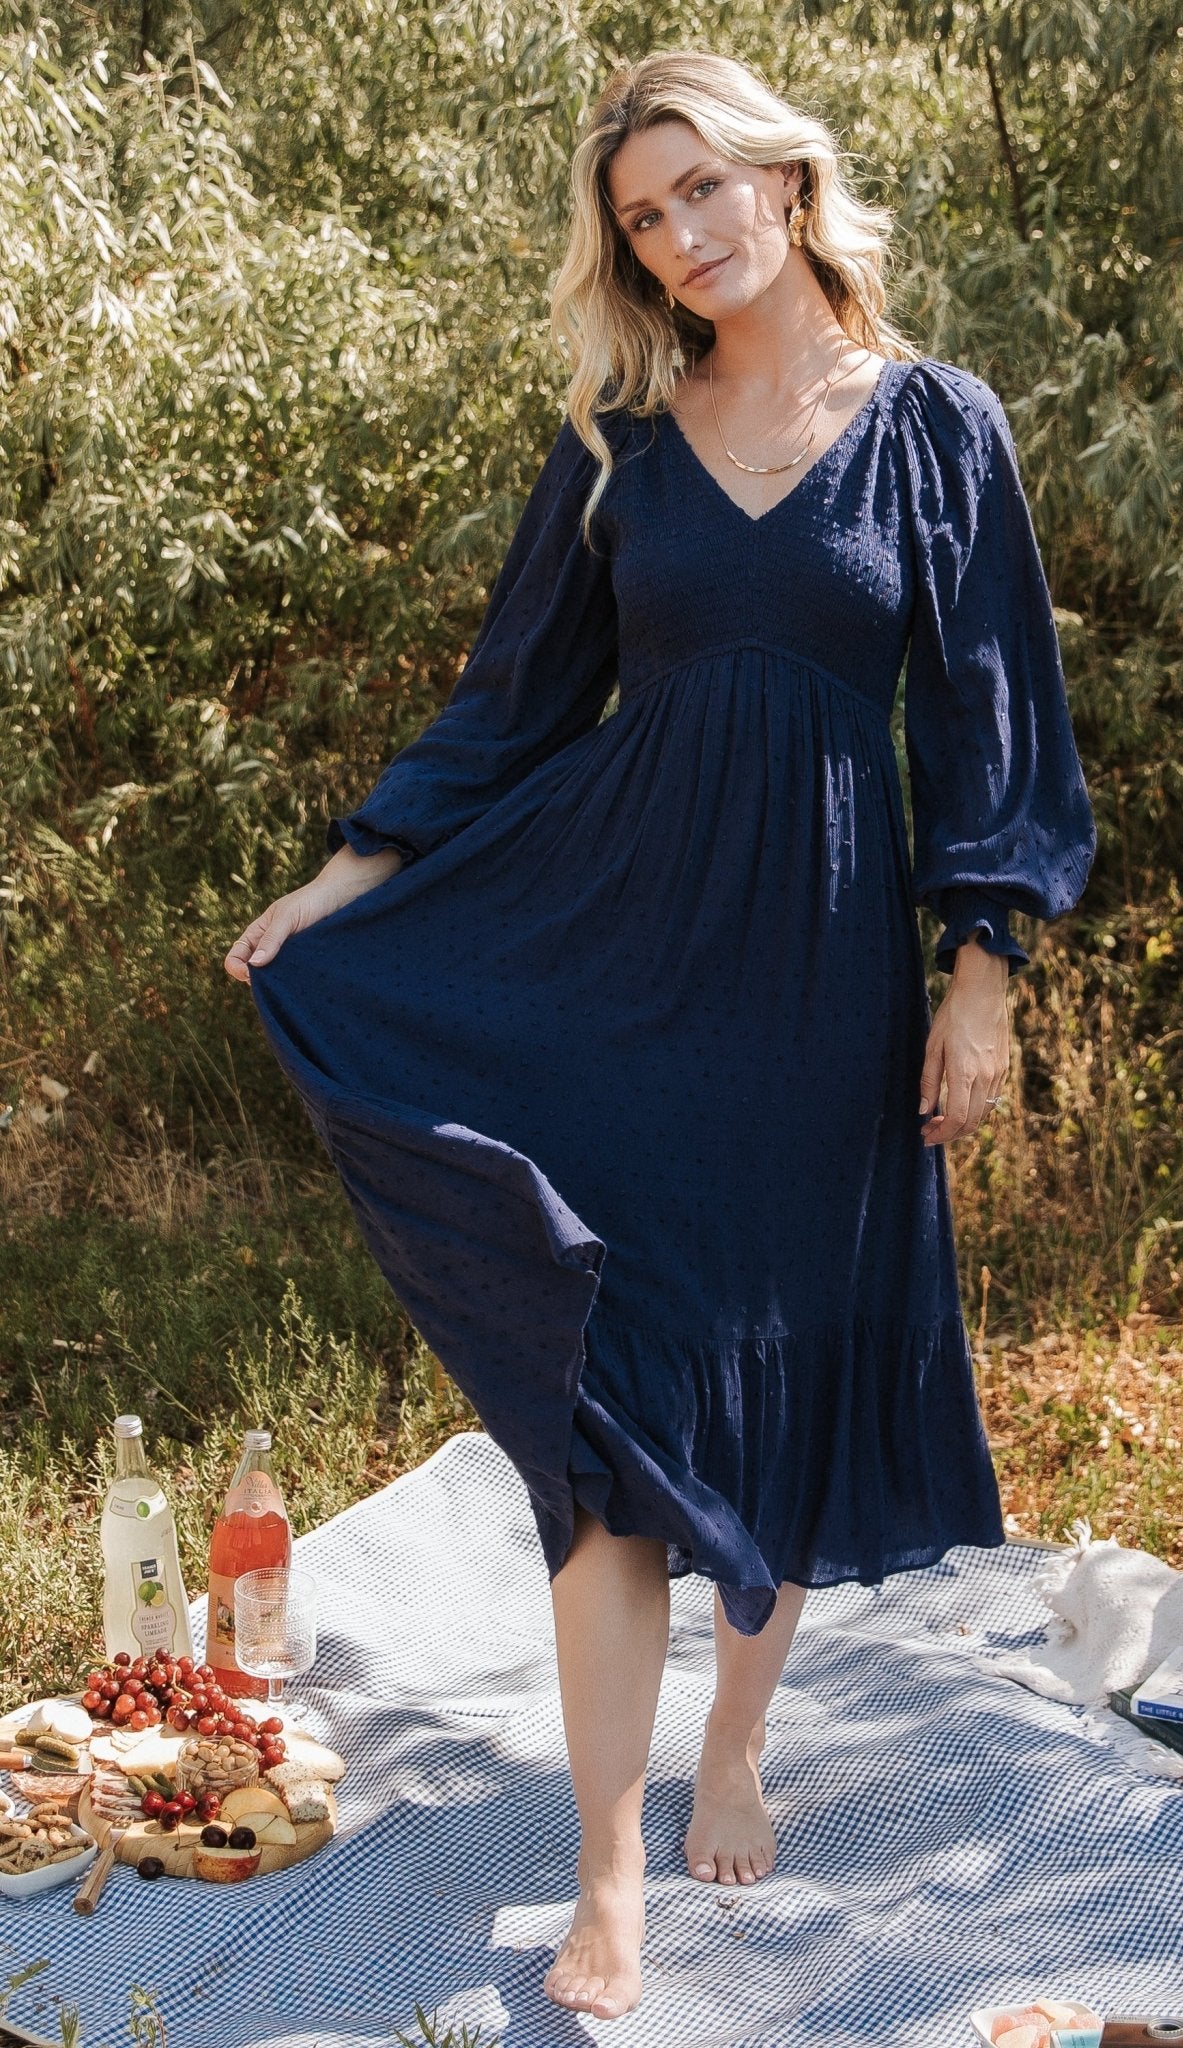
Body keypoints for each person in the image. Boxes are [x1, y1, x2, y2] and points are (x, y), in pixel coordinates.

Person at [225, 48, 1095, 2025]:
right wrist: (350, 883)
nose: (681, 234)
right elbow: (513, 697)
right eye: (642, 215)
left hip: (818, 984)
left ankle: (734, 1745)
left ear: (784, 183)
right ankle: (606, 1867)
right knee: (613, 1409)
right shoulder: (622, 440)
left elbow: (991, 716)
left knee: (770, 1373)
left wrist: (979, 976)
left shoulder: (933, 429)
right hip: (620, 963)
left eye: (704, 187)